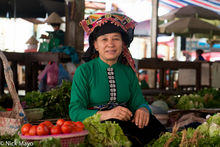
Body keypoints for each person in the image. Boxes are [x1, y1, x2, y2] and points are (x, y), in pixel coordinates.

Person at [69, 12, 166, 146]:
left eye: (116, 39)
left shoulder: (128, 72)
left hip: (126, 124)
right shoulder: (84, 71)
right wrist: (109, 114)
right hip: (97, 128)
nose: (111, 44)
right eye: (104, 39)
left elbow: (139, 102)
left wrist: (143, 109)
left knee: (157, 129)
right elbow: (75, 112)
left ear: (122, 44)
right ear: (95, 45)